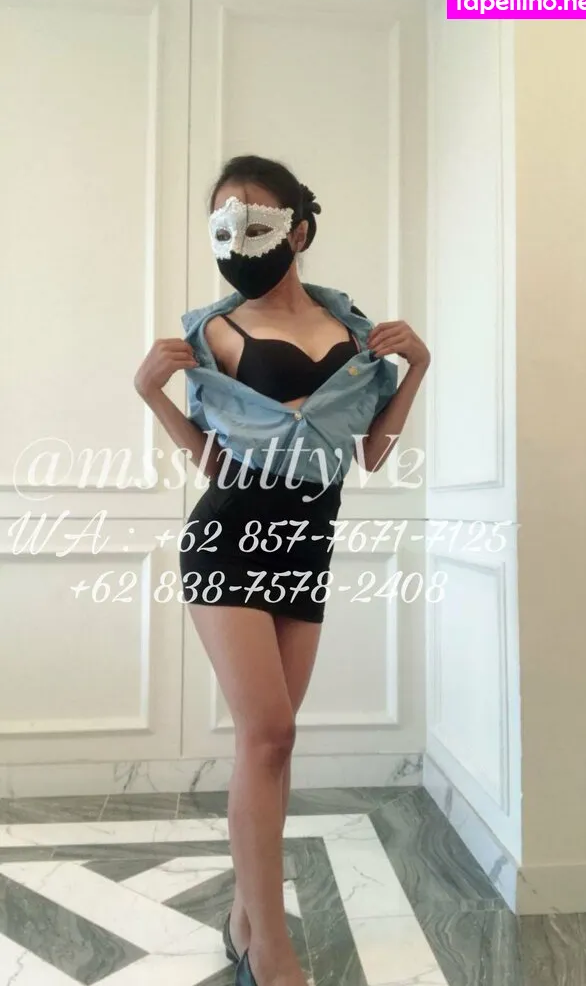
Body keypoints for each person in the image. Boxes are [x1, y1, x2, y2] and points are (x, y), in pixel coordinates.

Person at [134, 154, 430, 986]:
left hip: (307, 543)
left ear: (297, 230)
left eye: (255, 221)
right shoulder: (214, 333)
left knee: (271, 746)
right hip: (227, 538)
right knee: (269, 734)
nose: (238, 239)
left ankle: (243, 916)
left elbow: (370, 456)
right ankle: (269, 950)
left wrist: (417, 371)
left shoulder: (355, 334)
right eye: (222, 224)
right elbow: (215, 463)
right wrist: (153, 394)